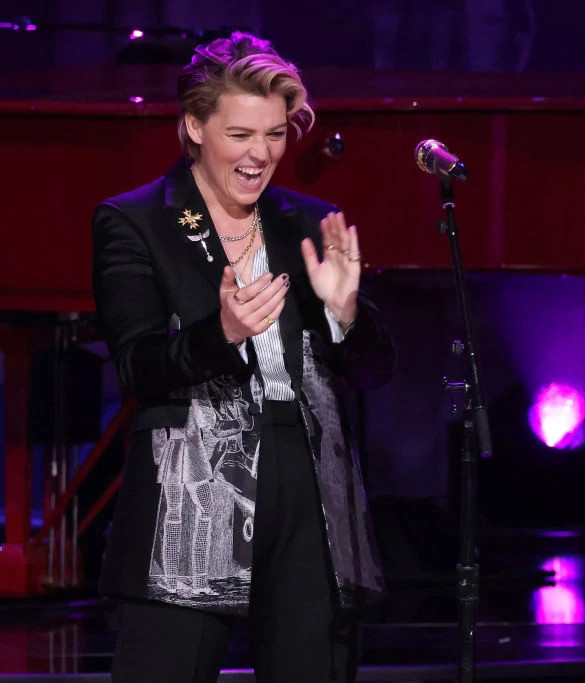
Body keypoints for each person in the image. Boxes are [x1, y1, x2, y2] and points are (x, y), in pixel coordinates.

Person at [92, 32, 397, 682]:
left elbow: (375, 372)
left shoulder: (309, 222)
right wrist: (220, 332)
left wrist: (346, 315)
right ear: (194, 126)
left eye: (276, 134)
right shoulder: (136, 220)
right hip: (192, 482)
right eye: (240, 135)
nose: (261, 154)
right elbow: (138, 366)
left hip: (307, 475)